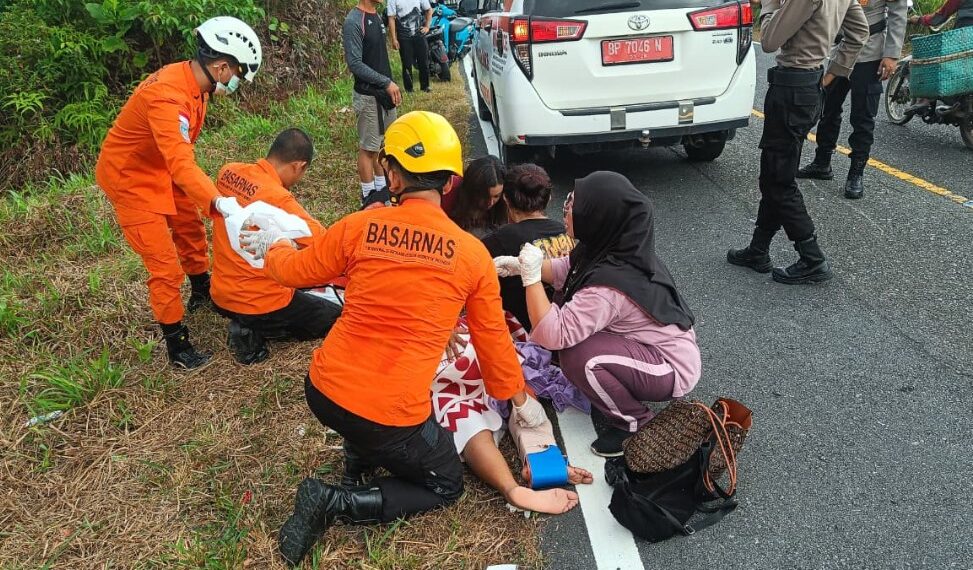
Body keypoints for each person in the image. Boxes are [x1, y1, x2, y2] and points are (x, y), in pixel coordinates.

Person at [240, 111, 547, 567]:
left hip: (323, 391)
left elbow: (294, 271)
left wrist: (275, 244)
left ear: (394, 176)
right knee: (447, 482)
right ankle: (334, 501)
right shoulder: (471, 255)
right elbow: (492, 344)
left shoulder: (360, 226)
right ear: (450, 182)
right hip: (388, 413)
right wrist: (519, 401)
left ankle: (358, 458)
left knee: (366, 420)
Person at [494, 171, 702, 458]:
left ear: (598, 217)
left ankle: (634, 423)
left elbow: (552, 334)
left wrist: (530, 278)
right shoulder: (611, 249)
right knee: (573, 339)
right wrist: (519, 266)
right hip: (648, 350)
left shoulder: (609, 286)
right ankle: (614, 384)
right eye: (569, 200)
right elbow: (564, 271)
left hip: (669, 367)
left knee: (578, 356)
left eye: (574, 204)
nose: (567, 208)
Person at [94, 16, 262, 369]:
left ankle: (201, 289)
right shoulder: (167, 96)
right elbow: (181, 162)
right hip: (131, 179)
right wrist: (219, 201)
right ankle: (177, 344)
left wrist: (206, 200)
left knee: (189, 225)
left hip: (162, 166)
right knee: (164, 267)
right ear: (221, 67)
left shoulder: (195, 82)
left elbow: (178, 156)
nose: (236, 82)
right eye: (237, 74)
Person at [727, 0, 868, 285]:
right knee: (774, 173)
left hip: (792, 89)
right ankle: (758, 249)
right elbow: (860, 31)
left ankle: (812, 257)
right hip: (810, 85)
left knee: (779, 179)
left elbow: (769, 41)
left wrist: (769, 4)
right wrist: (835, 70)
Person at [210, 129, 342, 365]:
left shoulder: (228, 172)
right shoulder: (278, 198)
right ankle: (249, 331)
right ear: (298, 166)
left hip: (220, 293)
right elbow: (323, 242)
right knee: (337, 318)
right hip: (260, 303)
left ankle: (246, 320)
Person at [798, 0, 908, 200]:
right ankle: (822, 162)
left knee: (862, 116)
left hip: (869, 52)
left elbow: (898, 12)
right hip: (839, 50)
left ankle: (856, 173)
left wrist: (892, 54)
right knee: (827, 109)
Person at [482, 163, 574, 331]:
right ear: (549, 198)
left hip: (519, 333)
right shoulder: (567, 233)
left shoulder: (497, 241)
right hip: (566, 326)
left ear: (506, 199)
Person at [343, 0, 402, 207]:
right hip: (368, 95)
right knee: (369, 148)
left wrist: (388, 83)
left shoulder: (376, 16)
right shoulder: (354, 21)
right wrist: (385, 82)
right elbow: (355, 64)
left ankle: (383, 191)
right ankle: (368, 196)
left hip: (384, 93)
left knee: (385, 145)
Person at [443, 155, 508, 237]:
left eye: (496, 196)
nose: (490, 202)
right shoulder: (448, 193)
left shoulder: (507, 206)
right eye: (485, 197)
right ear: (472, 190)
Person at [388, 0, 433, 93]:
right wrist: (394, 39)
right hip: (403, 37)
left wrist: (427, 27)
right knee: (407, 64)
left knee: (423, 62)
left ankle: (425, 87)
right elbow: (391, 18)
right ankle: (409, 90)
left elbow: (429, 10)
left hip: (419, 35)